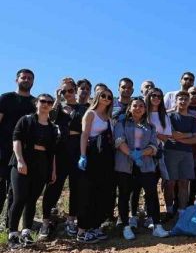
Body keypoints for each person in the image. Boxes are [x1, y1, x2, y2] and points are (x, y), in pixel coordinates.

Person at [6, 94, 60, 249]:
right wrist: (20, 160)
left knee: (32, 199)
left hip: (42, 164)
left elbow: (53, 152)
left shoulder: (52, 127)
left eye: (49, 102)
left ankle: (26, 232)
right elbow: (16, 140)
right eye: (43, 101)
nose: (46, 104)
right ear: (37, 103)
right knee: (19, 198)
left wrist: (53, 171)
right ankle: (13, 235)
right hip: (22, 162)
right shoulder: (26, 120)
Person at [114, 97, 170, 240]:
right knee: (125, 194)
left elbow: (154, 147)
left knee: (152, 194)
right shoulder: (121, 123)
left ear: (145, 109)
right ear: (130, 108)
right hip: (125, 164)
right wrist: (132, 154)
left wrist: (141, 153)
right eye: (135, 106)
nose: (138, 108)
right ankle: (126, 226)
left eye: (141, 106)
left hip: (146, 165)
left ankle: (157, 226)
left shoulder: (150, 127)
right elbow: (119, 141)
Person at [41, 79, 85, 238]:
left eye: (70, 90)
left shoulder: (84, 108)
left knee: (77, 187)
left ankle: (71, 219)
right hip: (60, 151)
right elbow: (49, 118)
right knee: (54, 186)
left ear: (75, 90)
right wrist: (57, 99)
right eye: (63, 91)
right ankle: (45, 222)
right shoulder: (57, 108)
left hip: (78, 150)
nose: (68, 94)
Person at [77, 87, 115, 243]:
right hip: (92, 156)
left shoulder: (108, 117)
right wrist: (83, 155)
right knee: (89, 193)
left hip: (106, 159)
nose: (106, 98)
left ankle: (95, 226)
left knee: (102, 193)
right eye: (103, 96)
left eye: (109, 97)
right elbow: (84, 135)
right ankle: (82, 230)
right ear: (98, 97)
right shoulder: (90, 113)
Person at [0, 69, 36, 228]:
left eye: (29, 78)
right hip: (3, 149)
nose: (26, 80)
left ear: (33, 82)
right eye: (24, 77)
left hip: (22, 153)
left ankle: (10, 227)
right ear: (17, 80)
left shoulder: (35, 103)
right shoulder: (6, 98)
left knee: (15, 191)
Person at [164, 92, 196, 214]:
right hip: (171, 152)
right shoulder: (169, 117)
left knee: (184, 183)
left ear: (189, 102)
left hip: (187, 154)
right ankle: (169, 211)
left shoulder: (193, 119)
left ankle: (182, 212)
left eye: (186, 99)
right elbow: (172, 135)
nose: (183, 101)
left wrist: (181, 137)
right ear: (176, 100)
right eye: (181, 99)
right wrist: (189, 135)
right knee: (170, 182)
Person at [146, 88, 172, 217]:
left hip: (158, 153)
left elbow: (167, 138)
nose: (156, 98)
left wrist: (153, 133)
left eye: (159, 96)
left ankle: (154, 215)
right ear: (149, 97)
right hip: (143, 153)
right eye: (153, 95)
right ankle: (146, 214)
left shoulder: (164, 116)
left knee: (157, 184)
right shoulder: (143, 113)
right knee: (147, 186)